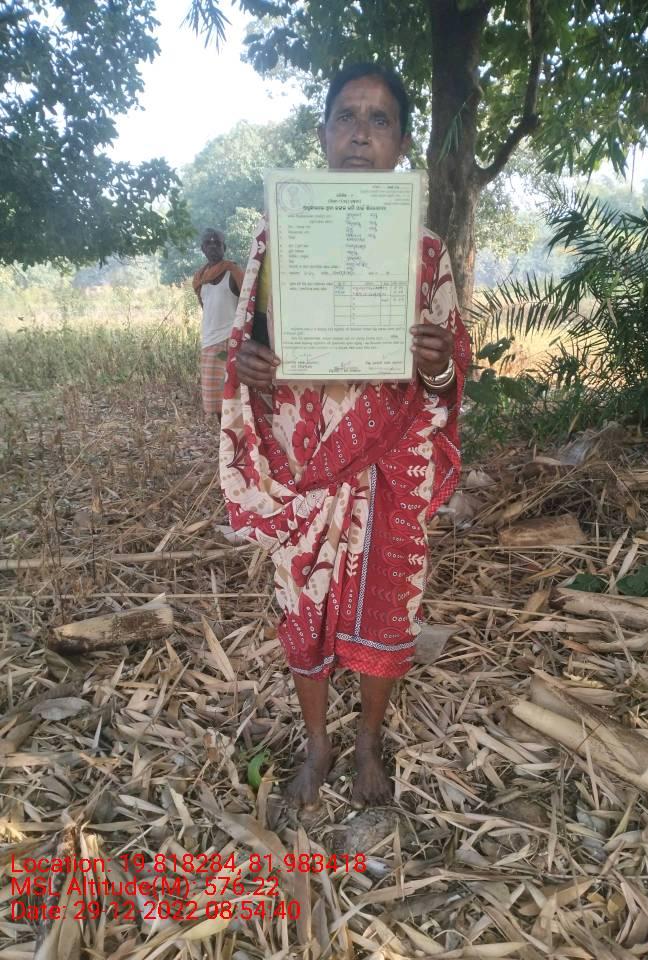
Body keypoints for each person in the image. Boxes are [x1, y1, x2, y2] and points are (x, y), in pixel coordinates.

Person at [219, 63, 471, 809]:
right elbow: (249, 346)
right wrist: (251, 364)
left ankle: (366, 741)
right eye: (347, 116)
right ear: (324, 133)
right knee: (302, 602)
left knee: (389, 603)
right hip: (307, 464)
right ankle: (317, 743)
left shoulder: (426, 252)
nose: (361, 132)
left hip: (390, 462)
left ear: (401, 142)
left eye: (380, 119)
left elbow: (449, 372)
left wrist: (434, 365)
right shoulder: (277, 238)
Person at [192, 229, 245, 418]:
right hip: (209, 343)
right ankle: (224, 435)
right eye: (208, 243)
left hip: (232, 342)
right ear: (202, 248)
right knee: (216, 404)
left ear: (225, 247)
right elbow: (206, 307)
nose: (213, 246)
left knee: (235, 399)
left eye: (217, 243)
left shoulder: (234, 272)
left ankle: (237, 436)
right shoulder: (200, 279)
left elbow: (248, 305)